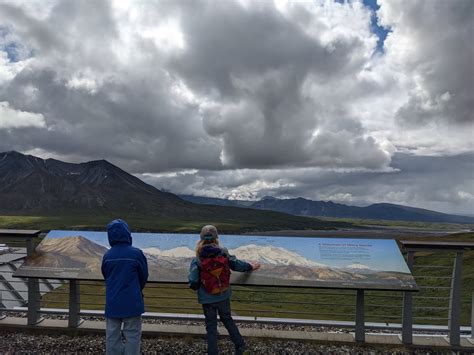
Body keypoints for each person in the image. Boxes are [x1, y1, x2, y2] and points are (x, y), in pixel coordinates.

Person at [188, 225, 260, 355]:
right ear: (216, 238)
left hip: (207, 297)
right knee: (227, 319)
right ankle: (241, 347)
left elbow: (193, 280)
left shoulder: (198, 258)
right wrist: (250, 266)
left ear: (201, 238)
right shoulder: (223, 252)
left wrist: (197, 287)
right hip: (223, 294)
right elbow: (236, 264)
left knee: (211, 326)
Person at [101, 219, 148, 355]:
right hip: (133, 301)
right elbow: (143, 276)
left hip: (112, 302)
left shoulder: (107, 255)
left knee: (112, 335)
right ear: (127, 234)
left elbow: (106, 275)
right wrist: (137, 289)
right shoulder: (136, 254)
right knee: (132, 335)